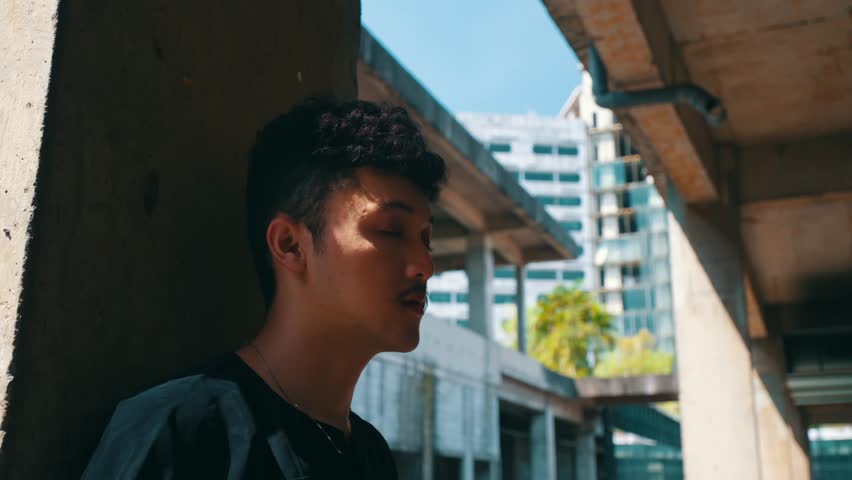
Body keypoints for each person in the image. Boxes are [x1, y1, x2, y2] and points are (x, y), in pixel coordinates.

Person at [83, 98, 447, 479]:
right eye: (391, 231)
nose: (425, 264)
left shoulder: (373, 457)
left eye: (426, 239)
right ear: (290, 245)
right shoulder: (179, 431)